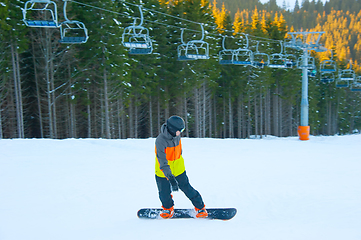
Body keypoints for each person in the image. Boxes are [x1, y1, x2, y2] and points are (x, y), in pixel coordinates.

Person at [155, 115, 208, 219]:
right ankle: (167, 208)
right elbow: (162, 160)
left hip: (179, 169)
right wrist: (170, 177)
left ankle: (200, 207)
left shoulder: (176, 135)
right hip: (163, 170)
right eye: (179, 130)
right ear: (171, 129)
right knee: (164, 192)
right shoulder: (160, 141)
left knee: (187, 188)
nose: (181, 132)